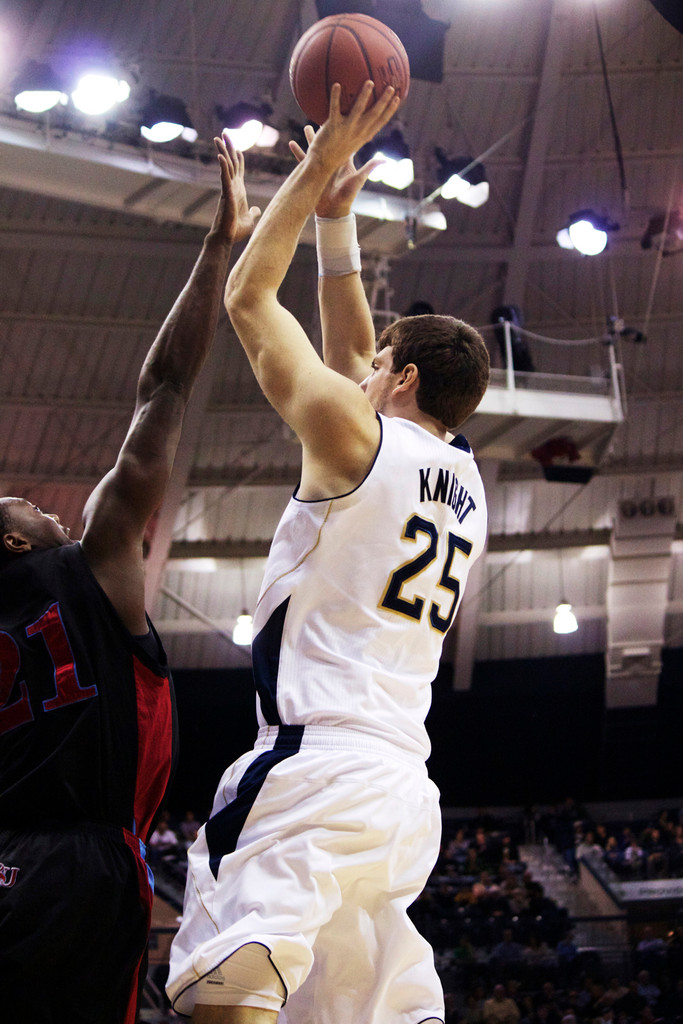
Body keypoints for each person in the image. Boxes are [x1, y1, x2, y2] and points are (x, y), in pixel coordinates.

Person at [167, 81, 490, 1024]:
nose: (364, 368)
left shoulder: (356, 440)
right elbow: (355, 357)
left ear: (404, 379)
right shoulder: (466, 477)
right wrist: (337, 228)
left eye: (382, 363)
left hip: (312, 762)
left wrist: (312, 168)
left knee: (230, 984)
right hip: (400, 789)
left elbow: (246, 297)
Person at [0, 132, 259, 1024]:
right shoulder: (93, 563)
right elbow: (165, 389)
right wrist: (217, 244)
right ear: (14, 543)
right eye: (26, 506)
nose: (47, 508)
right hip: (80, 863)